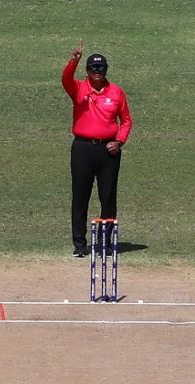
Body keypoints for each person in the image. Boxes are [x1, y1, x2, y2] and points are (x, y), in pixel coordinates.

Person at [63, 42, 131, 257]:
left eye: (101, 68)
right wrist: (74, 60)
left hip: (108, 151)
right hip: (83, 148)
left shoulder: (116, 92)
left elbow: (126, 121)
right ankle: (80, 244)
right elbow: (65, 79)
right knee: (80, 196)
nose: (97, 72)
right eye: (93, 68)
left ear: (106, 70)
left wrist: (119, 141)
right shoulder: (79, 88)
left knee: (108, 197)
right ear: (87, 70)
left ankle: (105, 242)